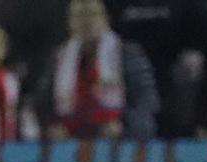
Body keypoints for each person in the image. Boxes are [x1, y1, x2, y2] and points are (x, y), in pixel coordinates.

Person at [40, 0, 159, 140]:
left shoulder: (127, 54)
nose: (86, 22)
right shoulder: (59, 58)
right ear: (70, 23)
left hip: (119, 142)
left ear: (105, 19)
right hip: (70, 142)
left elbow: (146, 102)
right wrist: (52, 127)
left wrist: (124, 126)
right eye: (79, 16)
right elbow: (43, 104)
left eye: (92, 15)